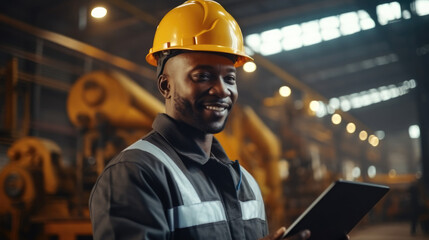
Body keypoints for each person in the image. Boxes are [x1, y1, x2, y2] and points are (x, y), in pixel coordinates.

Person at [89, 0, 342, 239]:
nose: (222, 90)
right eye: (202, 76)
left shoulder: (246, 184)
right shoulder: (134, 175)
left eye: (230, 79)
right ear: (165, 86)